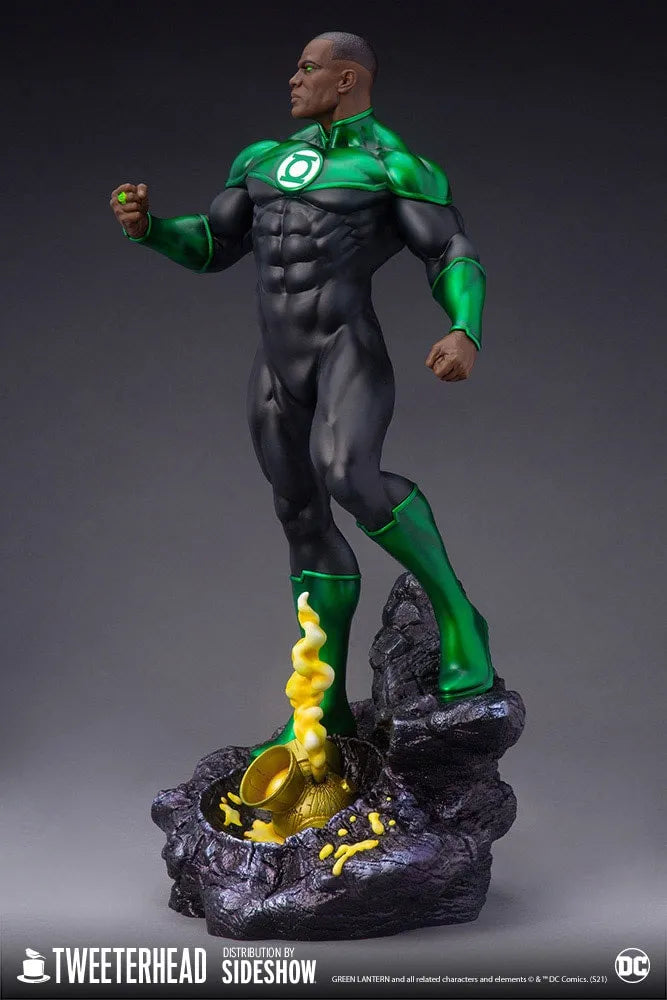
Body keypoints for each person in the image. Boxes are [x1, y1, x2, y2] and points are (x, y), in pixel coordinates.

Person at [110, 31, 493, 756]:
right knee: (298, 512)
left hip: (345, 348)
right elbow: (215, 245)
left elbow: (449, 249)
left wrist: (464, 328)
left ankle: (457, 618)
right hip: (276, 363)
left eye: (307, 68)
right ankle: (323, 704)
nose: (293, 79)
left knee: (349, 475)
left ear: (346, 79)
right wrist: (150, 229)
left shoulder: (391, 166)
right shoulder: (259, 159)